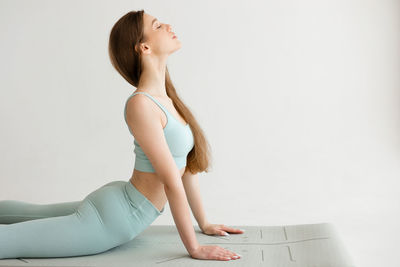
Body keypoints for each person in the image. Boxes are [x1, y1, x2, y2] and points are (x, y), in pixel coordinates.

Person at [0, 9, 243, 261]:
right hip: (116, 218)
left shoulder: (168, 101)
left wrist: (204, 223)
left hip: (120, 205)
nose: (168, 25)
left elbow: (186, 170)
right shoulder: (141, 104)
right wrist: (194, 248)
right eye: (158, 25)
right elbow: (171, 181)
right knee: (10, 241)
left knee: (28, 213)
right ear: (144, 47)